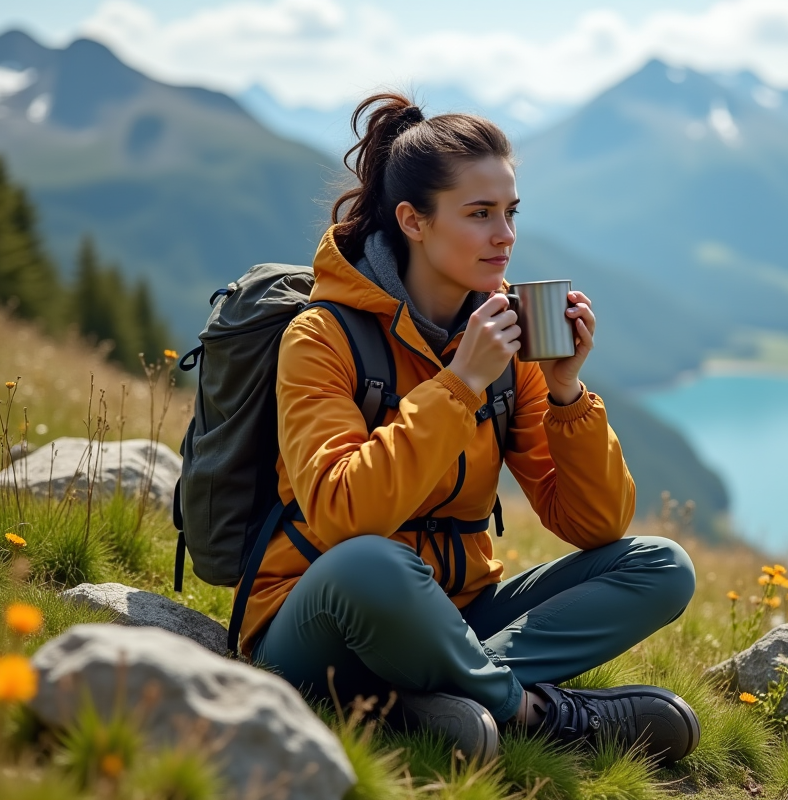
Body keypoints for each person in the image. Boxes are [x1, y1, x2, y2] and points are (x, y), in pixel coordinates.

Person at [241, 92, 700, 764]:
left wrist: (568, 390)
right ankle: (532, 709)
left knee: (662, 567)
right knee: (376, 563)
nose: (505, 235)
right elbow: (342, 517)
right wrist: (458, 386)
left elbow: (596, 526)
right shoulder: (322, 336)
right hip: (321, 621)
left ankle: (444, 693)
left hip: (455, 614)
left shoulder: (506, 343)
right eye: (480, 214)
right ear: (414, 221)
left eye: (510, 212)